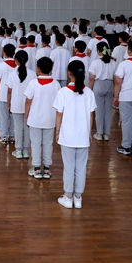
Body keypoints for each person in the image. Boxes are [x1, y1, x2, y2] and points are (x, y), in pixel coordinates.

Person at [53, 60, 96, 209]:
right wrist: (89, 132)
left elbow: (59, 114)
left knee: (69, 167)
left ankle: (68, 196)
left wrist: (57, 131)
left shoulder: (63, 92)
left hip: (68, 136)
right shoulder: (89, 92)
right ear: (83, 73)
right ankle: (78, 197)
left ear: (69, 73)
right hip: (83, 136)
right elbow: (91, 115)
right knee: (81, 168)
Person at [24, 57, 60, 179]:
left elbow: (28, 101)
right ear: (51, 70)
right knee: (48, 143)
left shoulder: (33, 83)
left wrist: (26, 116)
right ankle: (47, 168)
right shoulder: (56, 84)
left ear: (38, 69)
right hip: (50, 119)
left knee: (35, 143)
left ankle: (36, 169)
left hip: (35, 118)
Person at [4, 51, 33, 159]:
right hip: (29, 105)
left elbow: (9, 91)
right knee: (27, 127)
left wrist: (8, 104)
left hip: (15, 104)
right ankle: (25, 150)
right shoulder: (32, 74)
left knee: (17, 127)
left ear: (15, 60)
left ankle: (18, 150)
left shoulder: (12, 74)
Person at [88, 42, 115, 141]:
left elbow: (91, 78)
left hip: (98, 84)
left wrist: (90, 89)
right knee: (108, 111)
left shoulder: (95, 62)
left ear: (98, 51)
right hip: (110, 85)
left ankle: (99, 133)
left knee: (99, 111)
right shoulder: (113, 62)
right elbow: (116, 77)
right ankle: (106, 134)